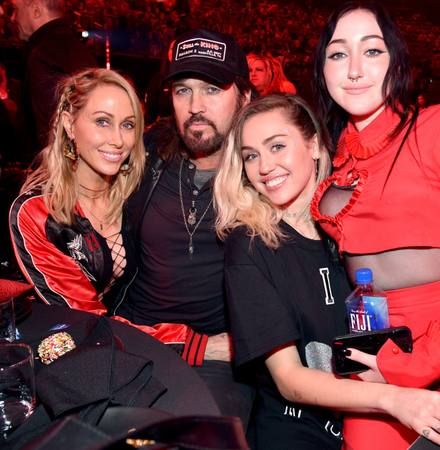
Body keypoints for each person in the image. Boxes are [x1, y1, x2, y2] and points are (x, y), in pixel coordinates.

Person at [214, 93, 440, 450]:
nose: (264, 166)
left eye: (277, 146)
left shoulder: (351, 225)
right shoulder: (250, 244)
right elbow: (289, 379)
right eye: (251, 155)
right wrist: (396, 400)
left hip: (385, 406)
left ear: (312, 144)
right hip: (302, 425)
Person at [310, 1, 440, 448]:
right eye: (338, 54)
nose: (354, 69)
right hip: (376, 358)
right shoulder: (333, 164)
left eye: (372, 51)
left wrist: (422, 359)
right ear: (322, 69)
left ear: (397, 63)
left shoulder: (437, 128)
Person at [112, 28, 258, 428]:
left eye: (212, 89)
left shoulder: (263, 173)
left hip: (217, 353)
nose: (195, 106)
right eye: (182, 90)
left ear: (243, 97)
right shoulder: (144, 153)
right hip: (131, 334)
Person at [10, 68, 146, 315]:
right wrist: (191, 343)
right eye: (102, 121)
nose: (118, 139)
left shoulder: (134, 195)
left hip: (117, 338)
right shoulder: (38, 212)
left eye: (127, 125)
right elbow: (85, 316)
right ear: (69, 125)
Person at [11, 0, 98, 161]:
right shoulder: (79, 51)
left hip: (58, 174)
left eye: (15, 9)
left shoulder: (42, 55)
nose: (12, 18)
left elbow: (50, 135)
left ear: (36, 10)